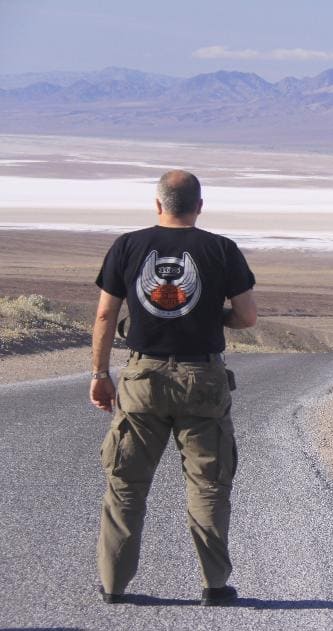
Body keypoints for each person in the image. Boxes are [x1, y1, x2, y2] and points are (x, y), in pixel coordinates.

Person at [90, 170, 257, 606]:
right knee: (208, 485)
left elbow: (107, 316)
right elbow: (247, 316)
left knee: (126, 484)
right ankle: (215, 586)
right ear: (200, 206)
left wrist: (98, 374)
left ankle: (113, 585)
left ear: (157, 204)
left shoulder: (128, 245)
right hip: (202, 380)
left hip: (141, 379)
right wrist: (210, 317)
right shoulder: (221, 249)